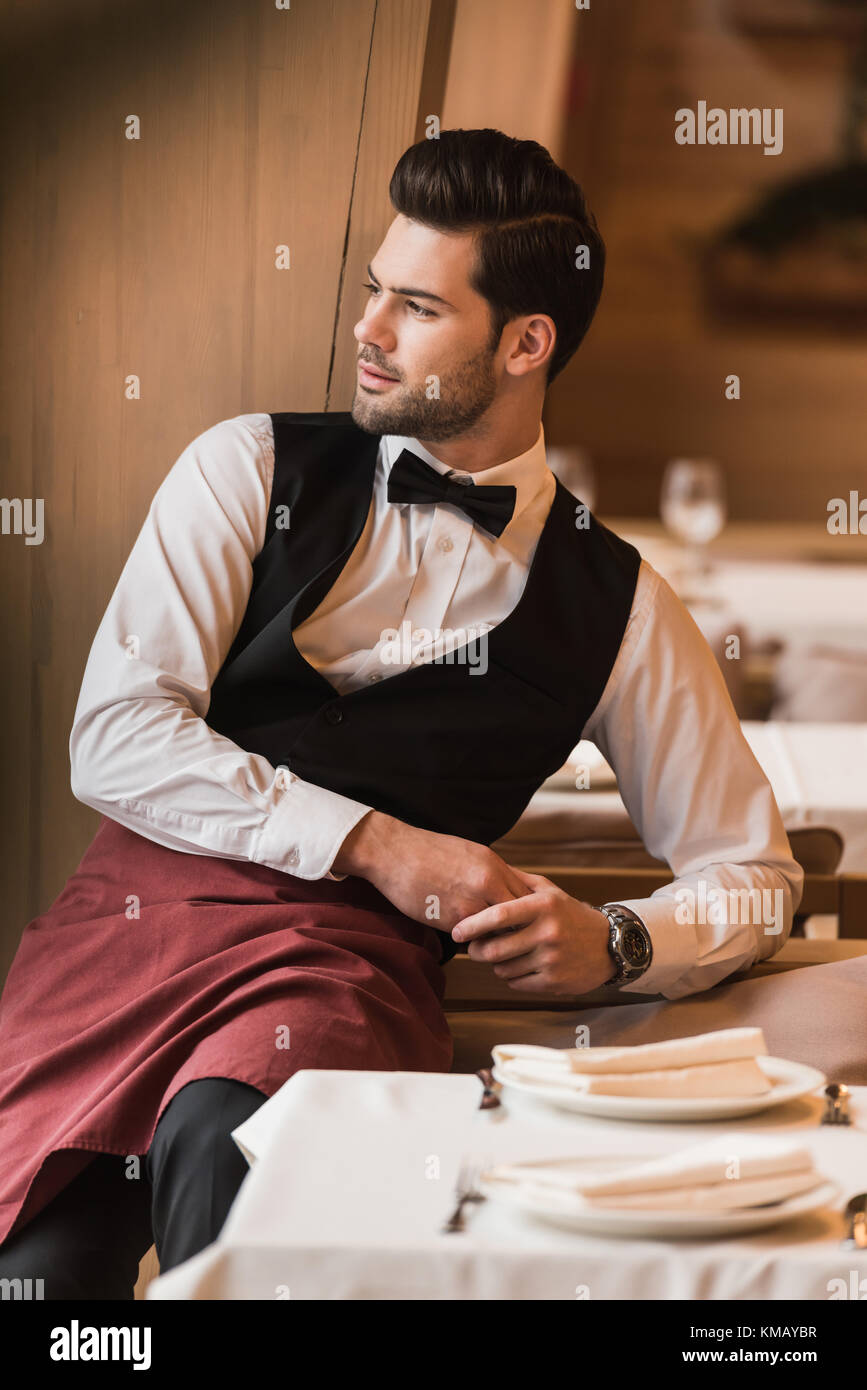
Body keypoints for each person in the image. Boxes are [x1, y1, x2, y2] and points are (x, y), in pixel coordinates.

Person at [0, 128, 801, 1298]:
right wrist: (382, 842)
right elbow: (117, 733)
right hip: (131, 941)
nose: (367, 331)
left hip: (338, 985)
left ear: (528, 342)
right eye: (375, 290)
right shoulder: (243, 469)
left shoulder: (622, 608)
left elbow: (753, 871)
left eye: (416, 307)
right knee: (41, 1282)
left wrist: (619, 941)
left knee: (241, 1172)